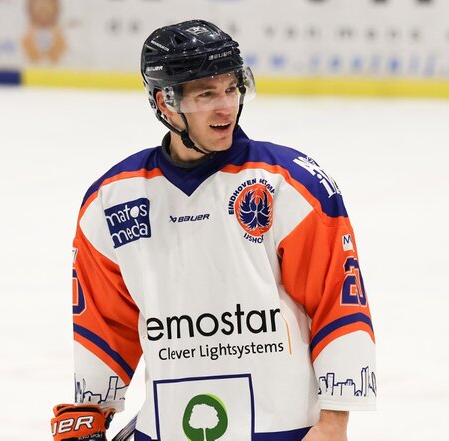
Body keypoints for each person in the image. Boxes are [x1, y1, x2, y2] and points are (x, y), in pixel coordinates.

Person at [51, 19, 376, 441]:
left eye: (231, 89)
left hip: (282, 428)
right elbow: (104, 322)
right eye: (206, 94)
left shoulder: (288, 183)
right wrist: (90, 411)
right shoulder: (112, 199)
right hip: (167, 428)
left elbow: (338, 300)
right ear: (166, 103)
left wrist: (334, 421)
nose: (226, 107)